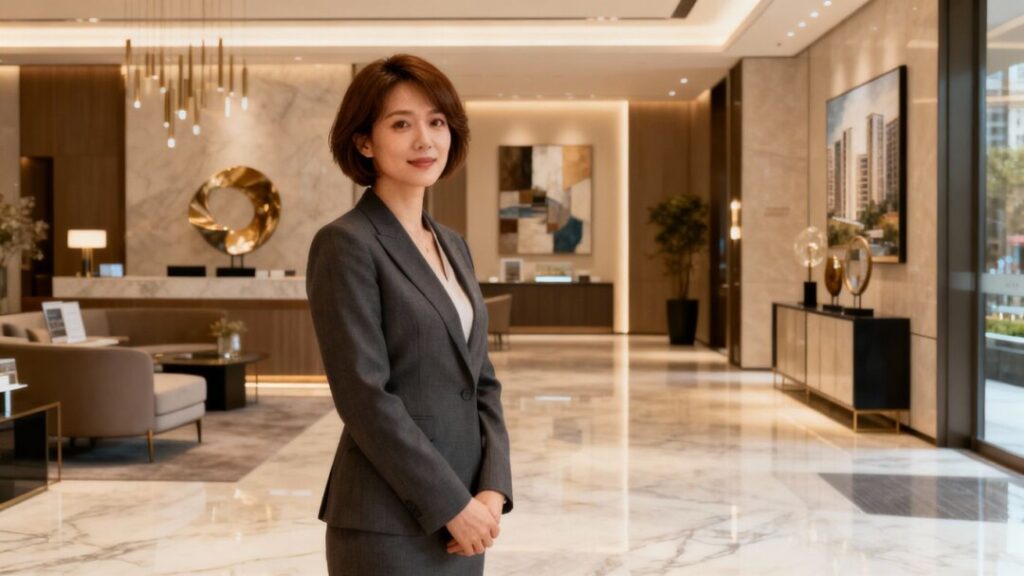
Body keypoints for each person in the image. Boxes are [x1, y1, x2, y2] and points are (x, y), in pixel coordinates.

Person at [306, 54, 514, 576]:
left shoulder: (454, 246)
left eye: (436, 122)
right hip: (388, 523)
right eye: (402, 124)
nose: (425, 140)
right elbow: (364, 397)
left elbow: (481, 381)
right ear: (364, 141)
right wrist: (450, 505)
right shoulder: (345, 244)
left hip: (468, 518)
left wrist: (491, 488)